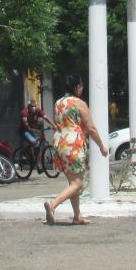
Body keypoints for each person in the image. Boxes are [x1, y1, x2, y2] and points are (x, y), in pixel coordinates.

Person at [43, 74, 108, 226]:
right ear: (77, 87)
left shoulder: (58, 103)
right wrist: (102, 146)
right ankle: (52, 205)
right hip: (73, 145)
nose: (82, 88)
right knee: (78, 183)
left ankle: (77, 216)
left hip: (59, 143)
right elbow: (91, 128)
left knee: (72, 182)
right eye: (81, 85)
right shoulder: (79, 103)